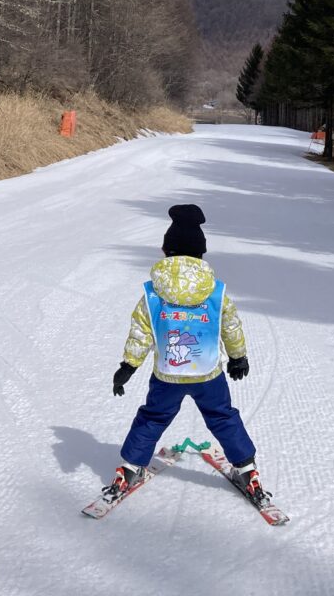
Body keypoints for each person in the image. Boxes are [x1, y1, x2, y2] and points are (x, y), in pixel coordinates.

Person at [105, 204, 266, 503]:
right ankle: (246, 470)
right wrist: (238, 357)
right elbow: (230, 326)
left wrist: (128, 366)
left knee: (153, 417)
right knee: (222, 417)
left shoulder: (153, 294)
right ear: (201, 254)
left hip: (168, 376)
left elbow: (141, 332)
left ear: (166, 252)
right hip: (208, 375)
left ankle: (130, 468)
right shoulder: (216, 292)